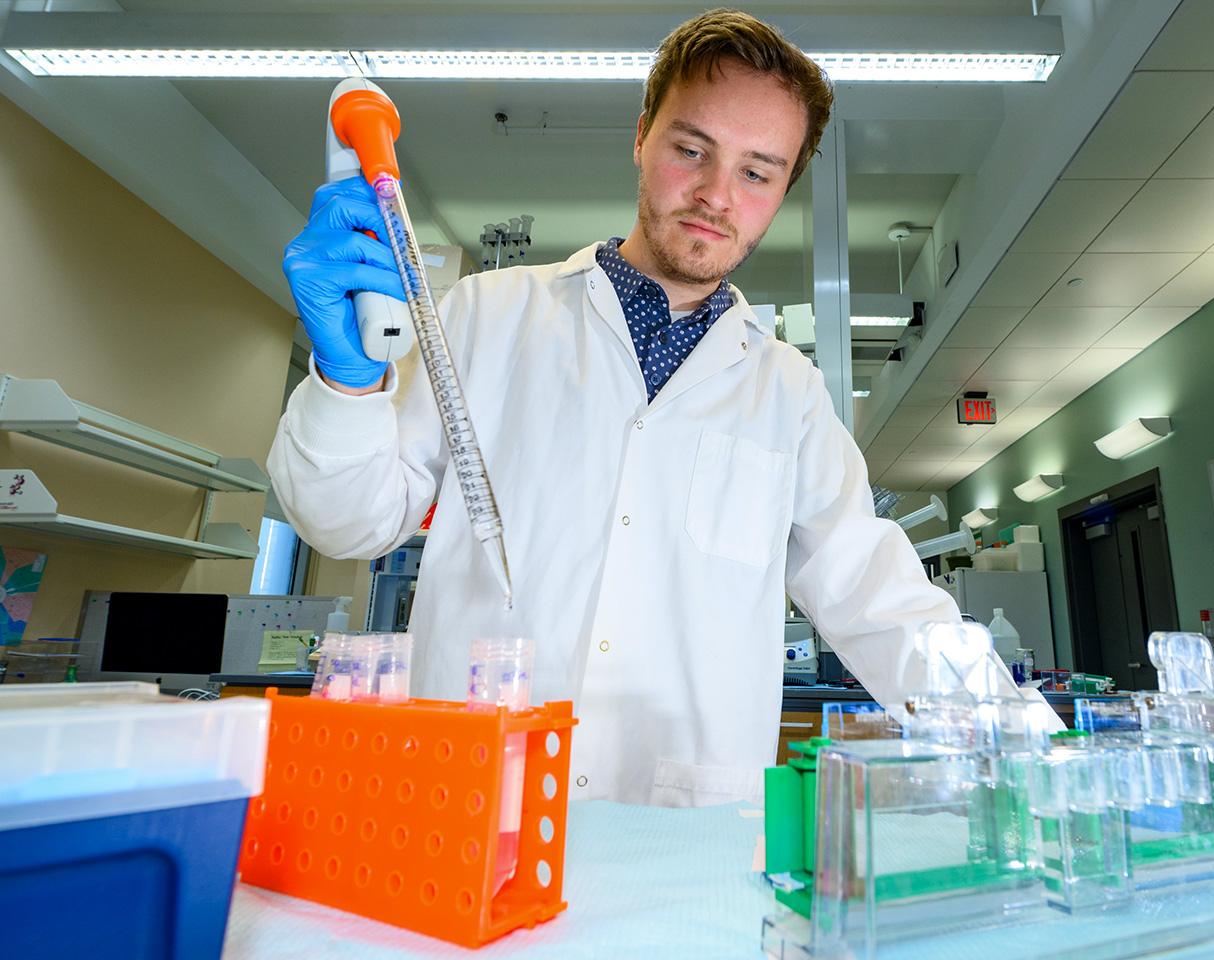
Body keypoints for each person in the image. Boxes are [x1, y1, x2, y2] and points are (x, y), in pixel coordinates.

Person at [270, 9, 979, 807]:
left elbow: (876, 594)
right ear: (641, 136)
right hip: (472, 809)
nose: (716, 194)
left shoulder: (790, 393)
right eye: (690, 149)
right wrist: (346, 381)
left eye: (757, 172)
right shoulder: (482, 316)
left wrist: (1013, 729)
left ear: (782, 190)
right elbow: (346, 524)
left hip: (681, 835)